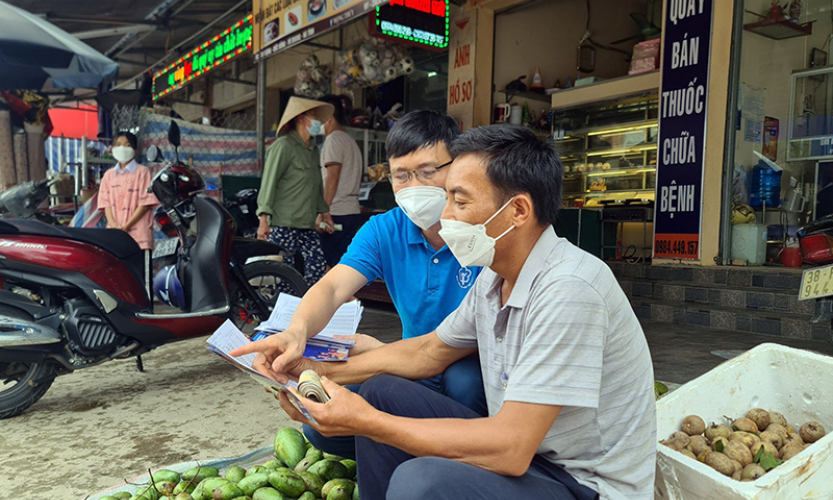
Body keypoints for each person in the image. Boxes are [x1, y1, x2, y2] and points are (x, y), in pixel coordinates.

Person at [233, 124, 656, 500]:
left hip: (581, 482)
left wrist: (368, 421)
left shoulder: (568, 289)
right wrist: (306, 371)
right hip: (538, 457)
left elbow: (510, 448)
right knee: (383, 390)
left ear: (518, 211)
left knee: (421, 481)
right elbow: (428, 351)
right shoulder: (494, 276)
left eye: (459, 200)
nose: (446, 215)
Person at [235, 110, 486, 459]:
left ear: (456, 166)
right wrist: (298, 331)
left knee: (465, 381)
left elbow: (443, 351)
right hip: (412, 361)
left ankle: (463, 462)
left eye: (428, 171)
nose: (413, 186)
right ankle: (424, 448)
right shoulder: (385, 230)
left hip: (471, 364)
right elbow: (334, 287)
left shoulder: (484, 228)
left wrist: (331, 365)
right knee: (321, 429)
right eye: (400, 175)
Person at [257, 96, 336, 285]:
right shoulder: (283, 146)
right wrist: (263, 219)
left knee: (317, 266)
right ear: (301, 118)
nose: (318, 121)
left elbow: (316, 185)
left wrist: (324, 212)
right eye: (313, 116)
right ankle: (283, 311)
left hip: (307, 223)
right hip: (284, 223)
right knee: (284, 274)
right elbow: (269, 182)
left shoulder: (313, 150)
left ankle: (306, 306)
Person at [98, 131, 159, 298]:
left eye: (127, 145)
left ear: (135, 149)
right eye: (118, 144)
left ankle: (145, 312)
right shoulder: (108, 176)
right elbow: (105, 203)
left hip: (139, 235)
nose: (122, 148)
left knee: (141, 277)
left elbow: (146, 203)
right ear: (112, 149)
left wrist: (126, 226)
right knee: (119, 277)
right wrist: (114, 224)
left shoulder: (143, 172)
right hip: (114, 236)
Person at [315, 95, 364, 267]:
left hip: (335, 214)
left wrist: (323, 210)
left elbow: (332, 178)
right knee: (343, 266)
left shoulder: (334, 140)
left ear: (328, 117)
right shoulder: (351, 141)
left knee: (328, 267)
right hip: (351, 212)